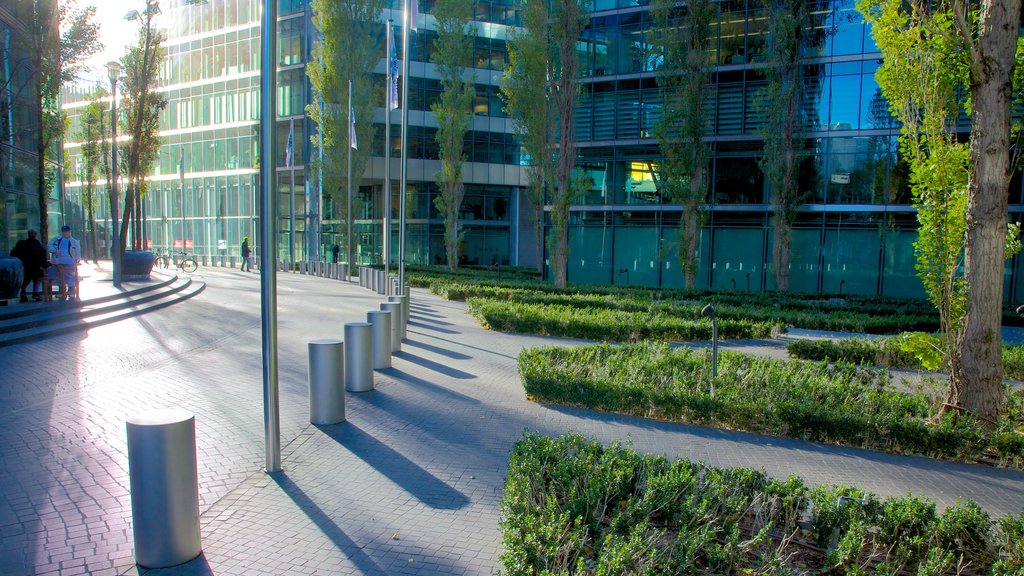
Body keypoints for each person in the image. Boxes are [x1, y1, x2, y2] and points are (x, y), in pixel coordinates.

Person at [11, 230, 48, 302]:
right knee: (37, 279)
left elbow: (13, 253)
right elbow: (42, 258)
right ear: (36, 236)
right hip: (35, 268)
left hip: (24, 266)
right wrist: (44, 265)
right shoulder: (38, 246)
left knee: (25, 280)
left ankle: (23, 292)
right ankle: (35, 292)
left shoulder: (21, 244)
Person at [47, 225, 82, 301]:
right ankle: (61, 291)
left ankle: (71, 291)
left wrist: (77, 259)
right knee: (58, 275)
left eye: (67, 231)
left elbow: (78, 253)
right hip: (58, 261)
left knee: (71, 275)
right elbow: (49, 246)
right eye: (64, 232)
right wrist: (55, 251)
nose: (66, 233)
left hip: (70, 262)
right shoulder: (56, 239)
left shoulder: (74, 242)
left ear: (70, 232)